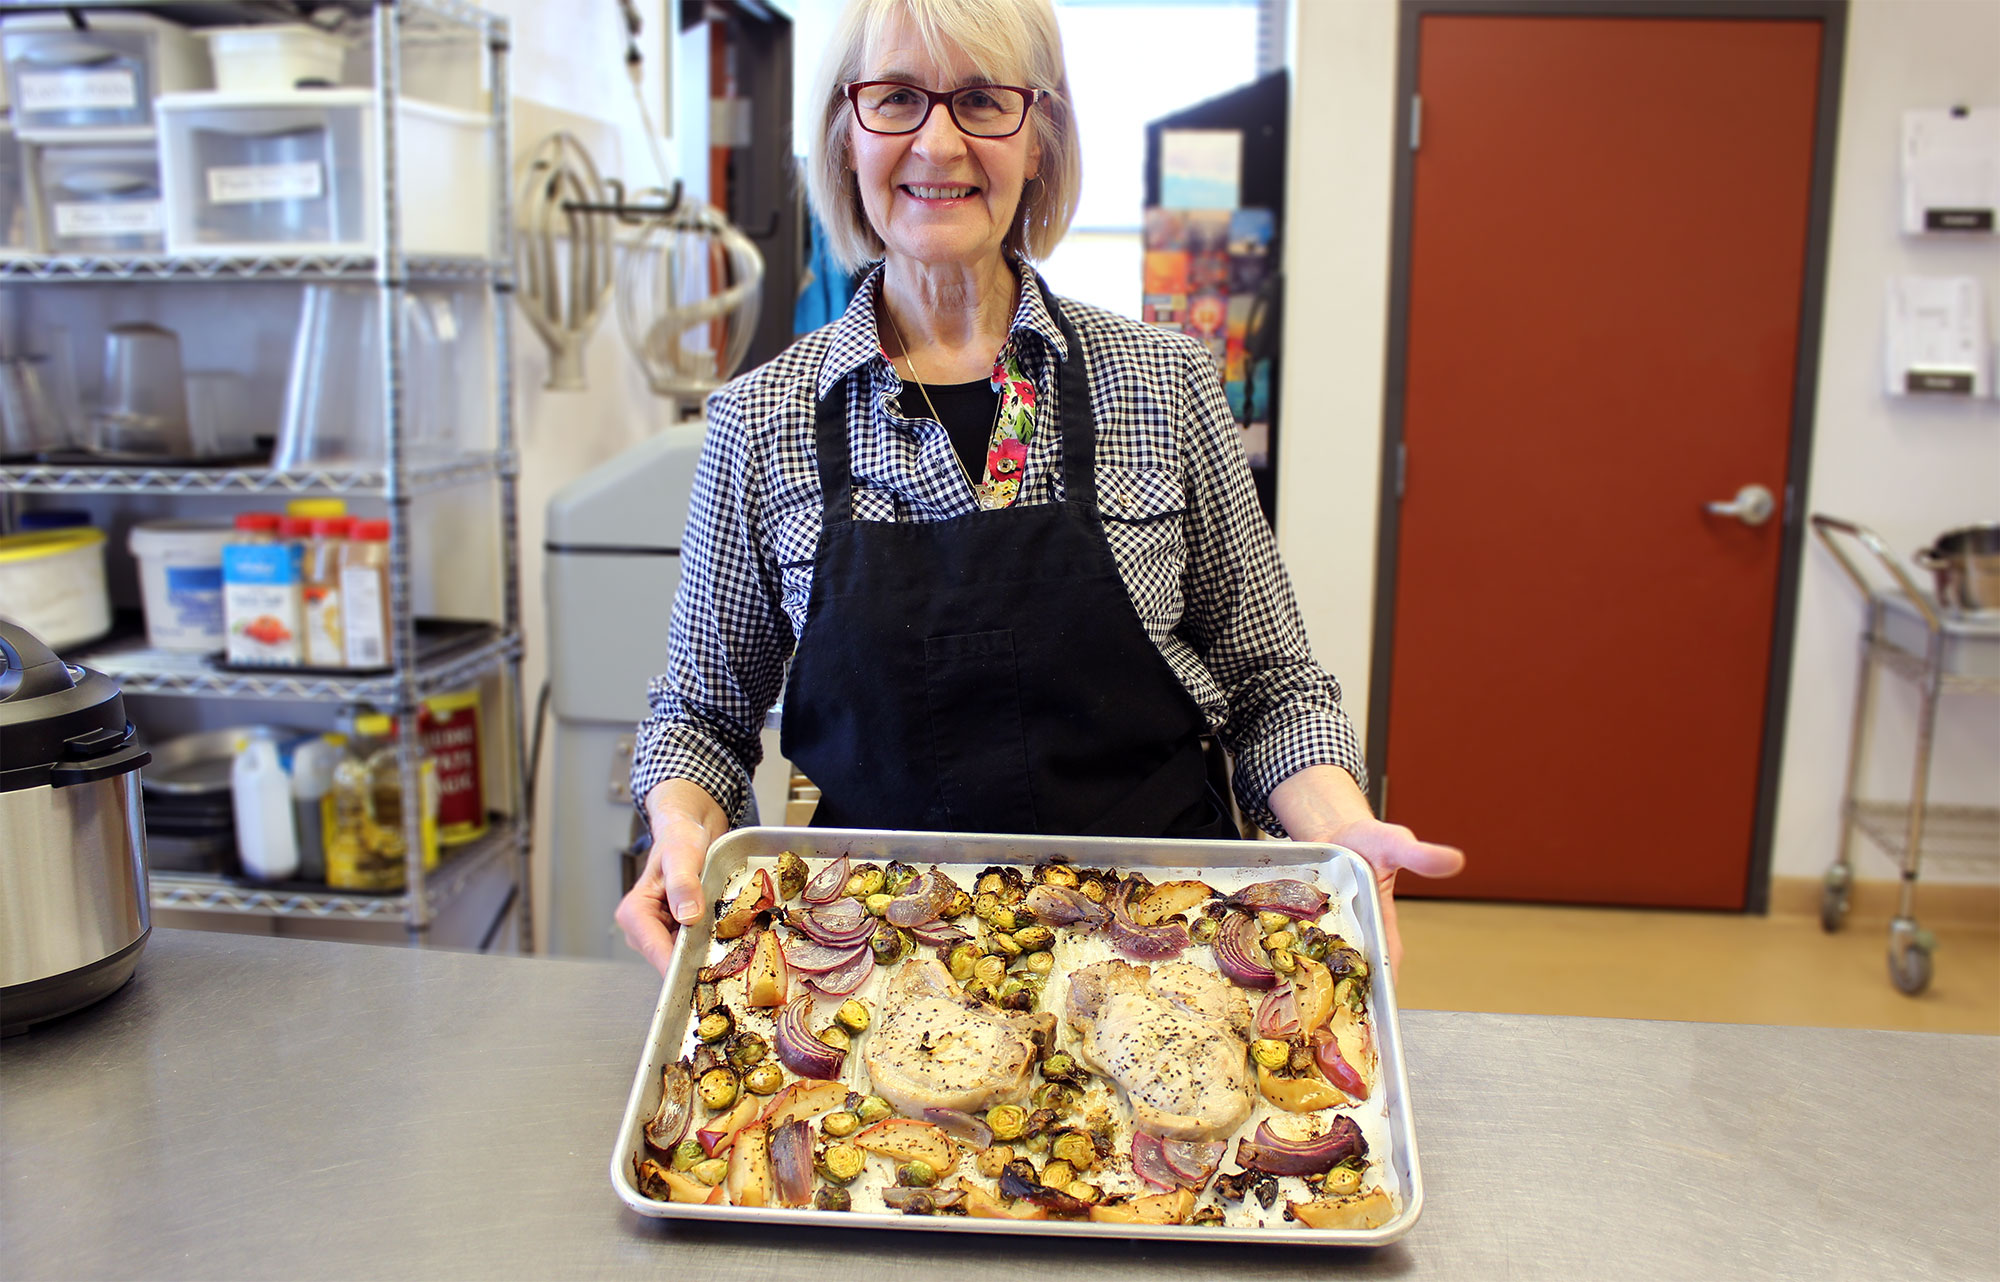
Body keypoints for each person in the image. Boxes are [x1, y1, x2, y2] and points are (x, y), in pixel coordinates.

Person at [617, 0, 1462, 977]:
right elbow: (700, 717)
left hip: (1158, 947)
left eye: (980, 100)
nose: (937, 142)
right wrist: (678, 833)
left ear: (1041, 137)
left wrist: (1341, 831)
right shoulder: (759, 421)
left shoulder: (1163, 382)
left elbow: (1268, 688)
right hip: (882, 964)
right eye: (895, 98)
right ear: (846, 134)